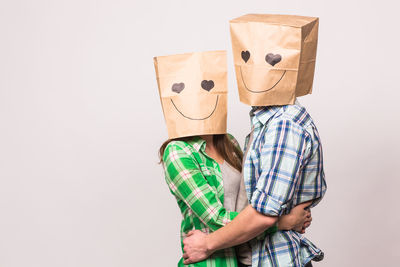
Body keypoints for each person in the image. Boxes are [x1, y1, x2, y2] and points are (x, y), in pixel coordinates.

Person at [182, 14, 327, 267]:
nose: (254, 68)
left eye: (272, 60)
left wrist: (207, 244)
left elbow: (263, 215)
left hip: (274, 260)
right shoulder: (266, 122)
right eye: (246, 57)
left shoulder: (284, 125)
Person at [160, 134, 312, 267]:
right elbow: (217, 220)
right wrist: (283, 222)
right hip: (211, 261)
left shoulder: (229, 142)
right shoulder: (177, 151)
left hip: (247, 256)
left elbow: (248, 200)